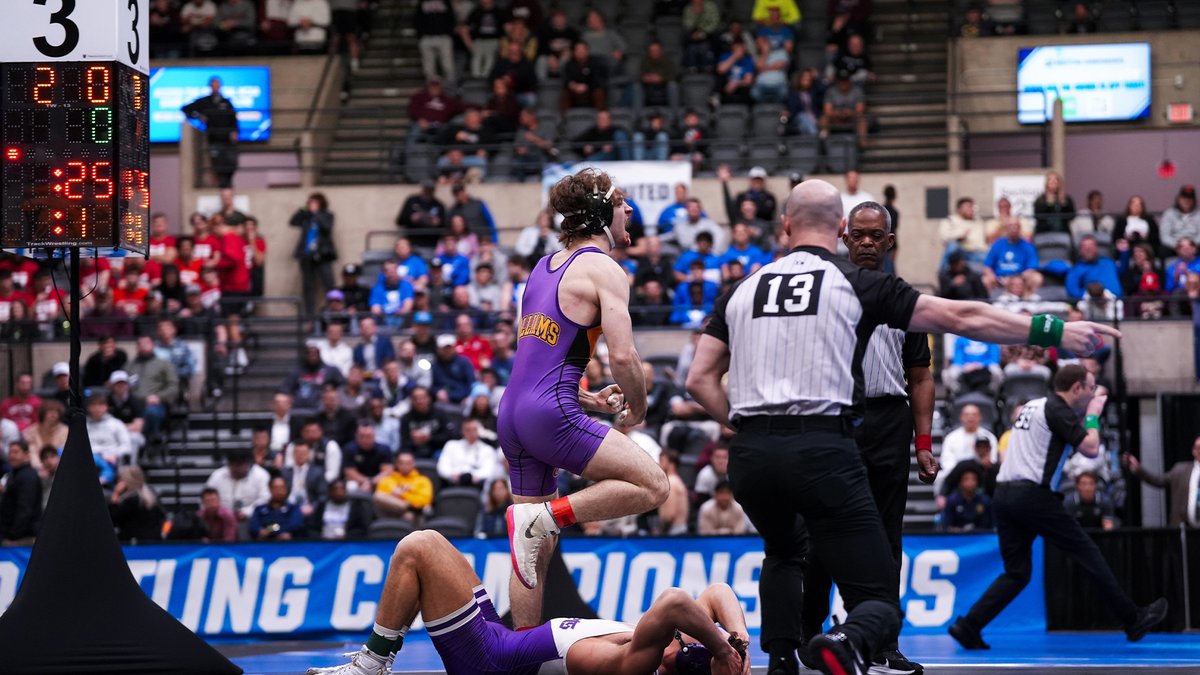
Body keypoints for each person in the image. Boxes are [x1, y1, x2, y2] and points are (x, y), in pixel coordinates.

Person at [685, 179, 1120, 675]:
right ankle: (851, 641)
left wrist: (742, 424)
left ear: (785, 225)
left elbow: (698, 379)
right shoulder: (857, 283)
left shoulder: (740, 289)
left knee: (784, 553)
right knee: (880, 593)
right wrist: (1056, 329)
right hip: (822, 446)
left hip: (753, 455)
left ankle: (783, 658)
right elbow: (963, 316)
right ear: (842, 230)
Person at [499, 168, 669, 629]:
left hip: (514, 412)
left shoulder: (542, 266)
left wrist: (588, 398)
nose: (630, 210)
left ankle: (523, 653)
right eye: (621, 203)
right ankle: (545, 517)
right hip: (548, 412)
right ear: (599, 215)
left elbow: (541, 355)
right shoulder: (604, 268)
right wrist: (639, 406)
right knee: (654, 485)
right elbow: (625, 356)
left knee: (533, 550)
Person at [305, 529, 750, 675]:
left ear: (669, 663)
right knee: (429, 546)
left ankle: (371, 665)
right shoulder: (665, 648)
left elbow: (675, 601)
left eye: (681, 644)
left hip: (489, 662)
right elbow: (718, 593)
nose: (680, 639)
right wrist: (739, 642)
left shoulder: (636, 662)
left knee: (419, 547)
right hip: (500, 640)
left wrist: (723, 649)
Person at [800, 201, 935, 675]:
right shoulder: (824, 292)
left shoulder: (906, 300)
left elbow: (920, 376)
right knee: (820, 531)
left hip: (888, 422)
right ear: (843, 237)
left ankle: (881, 642)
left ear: (890, 242)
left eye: (876, 236)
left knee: (886, 540)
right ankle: (808, 633)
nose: (866, 243)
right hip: (834, 419)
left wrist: (923, 443)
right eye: (858, 234)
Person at [951, 365, 1166, 649]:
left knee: (1017, 573)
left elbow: (1060, 435)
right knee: (1087, 551)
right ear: (1076, 388)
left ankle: (969, 625)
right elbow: (1090, 447)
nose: (1091, 392)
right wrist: (1093, 415)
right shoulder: (1056, 408)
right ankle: (1133, 619)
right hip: (1032, 496)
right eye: (1089, 388)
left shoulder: (1035, 405)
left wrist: (1088, 407)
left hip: (1004, 496)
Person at [1122, 435, 1200, 528]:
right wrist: (1139, 469)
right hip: (1184, 529)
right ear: (1194, 451)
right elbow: (1158, 480)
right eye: (1198, 448)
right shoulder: (1180, 471)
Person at [181, 77, 239, 187]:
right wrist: (199, 116)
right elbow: (185, 109)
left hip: (227, 140)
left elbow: (233, 119)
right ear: (210, 86)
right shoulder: (204, 102)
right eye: (213, 84)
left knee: (231, 163)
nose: (216, 87)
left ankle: (227, 185)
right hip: (213, 139)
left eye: (217, 84)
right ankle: (222, 185)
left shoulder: (226, 102)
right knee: (217, 164)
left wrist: (235, 132)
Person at [290, 192, 338, 317]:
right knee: (308, 287)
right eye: (309, 202)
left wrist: (316, 213)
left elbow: (327, 228)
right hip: (307, 255)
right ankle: (310, 315)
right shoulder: (306, 216)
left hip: (323, 254)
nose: (311, 205)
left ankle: (334, 313)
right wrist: (304, 209)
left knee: (329, 284)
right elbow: (293, 222)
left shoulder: (327, 215)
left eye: (314, 202)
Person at [373, 451, 433, 523]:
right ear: (397, 464)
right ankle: (410, 507)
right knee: (378, 495)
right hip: (388, 512)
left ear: (413, 464)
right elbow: (380, 499)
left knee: (409, 516)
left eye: (408, 463)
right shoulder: (388, 479)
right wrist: (393, 495)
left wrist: (403, 494)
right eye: (401, 463)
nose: (404, 466)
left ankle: (409, 508)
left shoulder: (423, 481)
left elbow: (425, 501)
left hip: (408, 515)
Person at [0, 440, 42, 545]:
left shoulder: (28, 477)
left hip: (22, 538)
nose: (11, 456)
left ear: (26, 455)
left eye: (15, 452)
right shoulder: (13, 474)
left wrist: (12, 536)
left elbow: (25, 509)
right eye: (10, 452)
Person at [109, 465, 164, 543]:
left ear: (125, 481)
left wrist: (115, 495)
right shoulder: (150, 494)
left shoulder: (131, 500)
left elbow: (112, 520)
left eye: (120, 480)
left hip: (134, 542)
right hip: (153, 540)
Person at [942, 467, 993, 532]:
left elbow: (989, 527)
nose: (970, 482)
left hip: (981, 539)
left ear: (978, 482)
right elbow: (947, 526)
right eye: (966, 479)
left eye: (973, 479)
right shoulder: (952, 501)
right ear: (960, 482)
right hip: (957, 539)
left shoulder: (985, 501)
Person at [1032, 171, 1076, 236]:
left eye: (1056, 180)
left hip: (1062, 232)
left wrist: (1064, 205)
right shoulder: (1040, 200)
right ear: (1046, 183)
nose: (1053, 182)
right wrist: (1048, 204)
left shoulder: (1066, 199)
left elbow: (1072, 216)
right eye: (1050, 180)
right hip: (1044, 233)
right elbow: (1037, 216)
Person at [1160, 184, 1200, 250]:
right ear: (1178, 199)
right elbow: (1165, 236)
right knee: (1163, 250)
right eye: (1184, 198)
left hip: (1195, 245)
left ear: (1194, 201)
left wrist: (1192, 245)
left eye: (1190, 198)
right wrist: (1177, 245)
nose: (1187, 201)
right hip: (1174, 245)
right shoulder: (1169, 213)